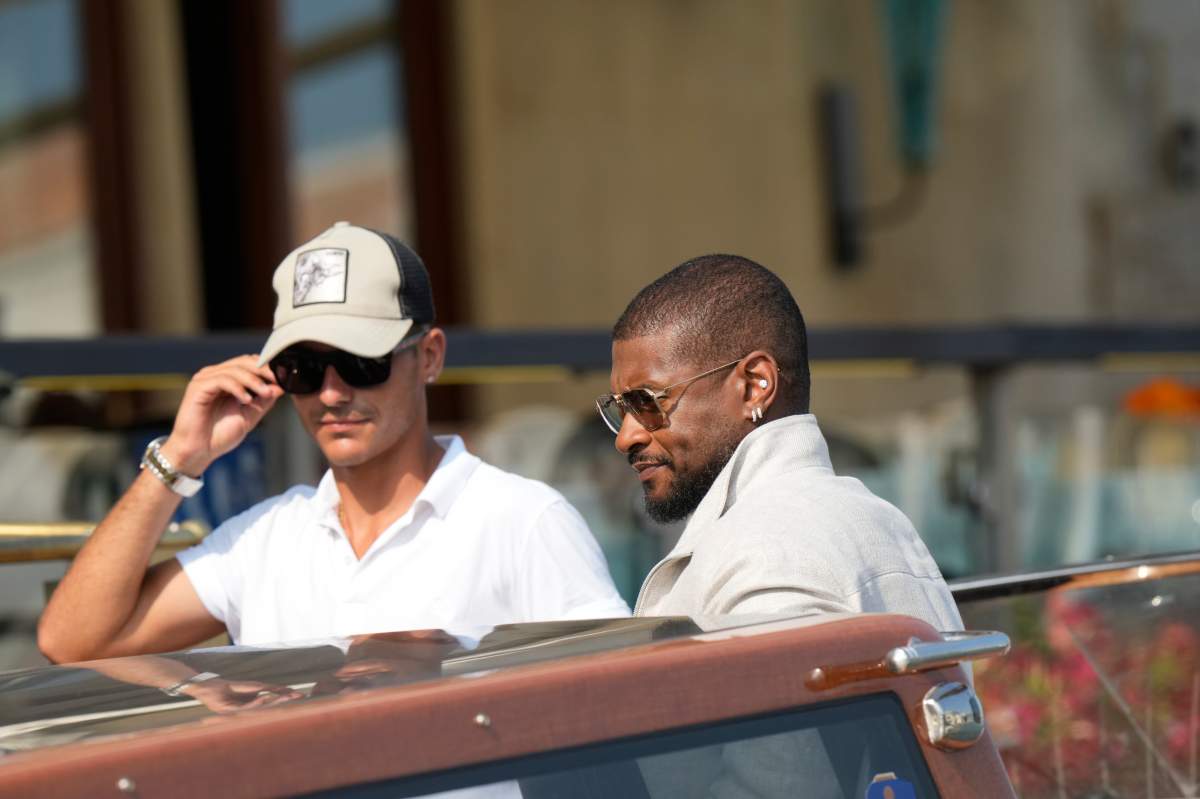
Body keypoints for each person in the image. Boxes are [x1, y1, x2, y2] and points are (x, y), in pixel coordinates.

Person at [39, 222, 628, 664]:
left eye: (359, 362)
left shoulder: (522, 522)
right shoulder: (265, 539)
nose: (329, 393)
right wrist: (179, 459)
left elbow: (617, 716)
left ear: (429, 357)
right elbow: (73, 642)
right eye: (300, 368)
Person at [597, 253, 962, 631]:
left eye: (647, 401)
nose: (627, 437)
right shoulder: (879, 520)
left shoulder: (766, 552)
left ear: (756, 386)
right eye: (620, 408)